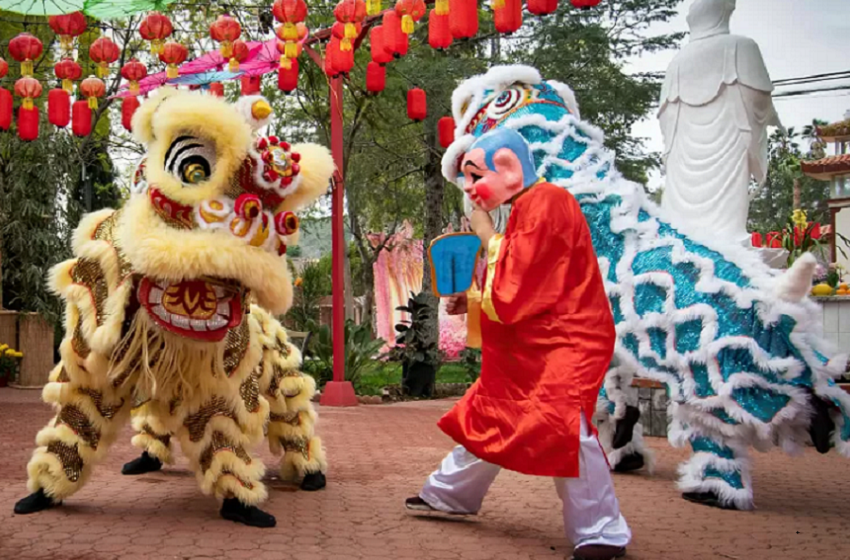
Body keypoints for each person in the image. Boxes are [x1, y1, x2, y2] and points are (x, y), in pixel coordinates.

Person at [406, 128, 631, 560]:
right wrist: (471, 300)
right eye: (465, 181)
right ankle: (449, 494)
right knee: (492, 409)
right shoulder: (525, 206)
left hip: (567, 338)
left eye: (474, 176)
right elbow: (515, 280)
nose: (469, 190)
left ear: (508, 167)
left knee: (565, 424)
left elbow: (519, 276)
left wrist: (483, 229)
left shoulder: (547, 202)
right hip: (534, 338)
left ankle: (602, 531)